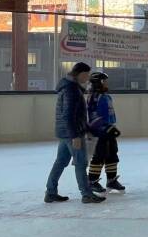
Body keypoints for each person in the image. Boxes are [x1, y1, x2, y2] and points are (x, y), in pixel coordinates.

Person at [45, 62, 104, 204]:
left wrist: (85, 129)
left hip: (65, 131)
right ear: (80, 74)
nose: (88, 78)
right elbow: (68, 115)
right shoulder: (71, 89)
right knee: (80, 162)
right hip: (72, 132)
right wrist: (75, 136)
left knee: (61, 162)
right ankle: (86, 194)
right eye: (87, 75)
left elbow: (73, 114)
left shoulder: (70, 87)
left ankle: (51, 192)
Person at [86, 71, 125, 195]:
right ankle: (92, 181)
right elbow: (94, 116)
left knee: (112, 153)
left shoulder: (105, 96)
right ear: (98, 83)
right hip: (99, 131)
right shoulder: (94, 97)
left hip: (109, 129)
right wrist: (104, 127)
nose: (106, 83)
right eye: (104, 81)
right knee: (99, 156)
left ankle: (111, 179)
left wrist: (111, 127)